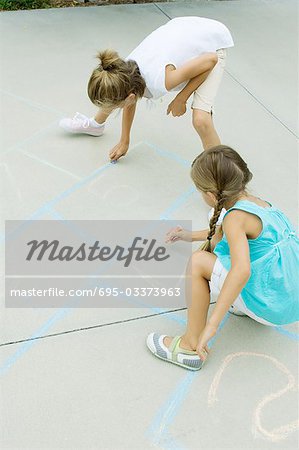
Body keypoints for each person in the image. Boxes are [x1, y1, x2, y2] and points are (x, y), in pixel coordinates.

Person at [146, 145, 299, 370]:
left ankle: (189, 347)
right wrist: (186, 236)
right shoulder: (257, 204)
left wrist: (212, 325)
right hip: (287, 303)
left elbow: (242, 269)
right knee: (216, 253)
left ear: (210, 195)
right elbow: (220, 236)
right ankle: (241, 304)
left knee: (198, 262)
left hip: (270, 308)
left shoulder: (234, 218)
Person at [59, 16, 234, 161]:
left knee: (201, 120)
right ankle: (95, 125)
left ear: (129, 97)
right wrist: (124, 140)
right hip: (184, 30)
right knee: (111, 93)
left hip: (212, 44)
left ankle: (224, 176)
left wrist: (182, 98)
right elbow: (129, 98)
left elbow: (210, 60)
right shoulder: (123, 70)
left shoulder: (163, 79)